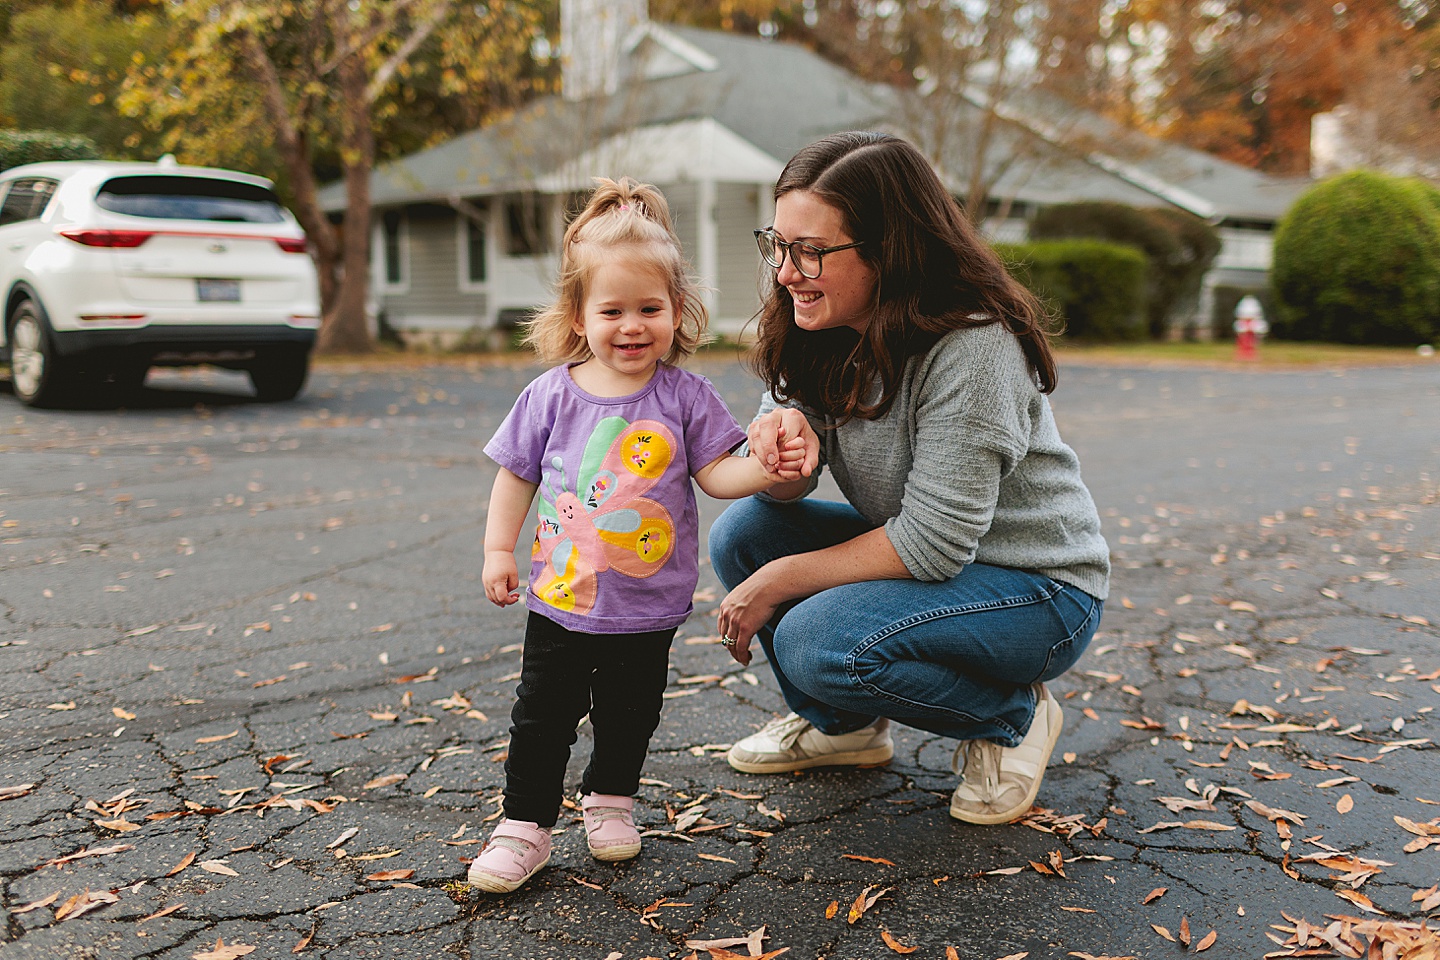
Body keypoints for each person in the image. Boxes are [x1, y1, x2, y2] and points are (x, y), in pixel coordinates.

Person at [709, 132, 1110, 826]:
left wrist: (779, 583)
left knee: (814, 638)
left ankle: (1012, 718)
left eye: (811, 251)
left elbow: (932, 546)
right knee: (746, 532)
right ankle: (845, 728)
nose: (786, 271)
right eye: (777, 244)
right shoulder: (817, 321)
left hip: (1037, 588)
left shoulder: (972, 346)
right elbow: (785, 492)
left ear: (889, 250)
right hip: (938, 565)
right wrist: (778, 454)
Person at [468, 177, 817, 893]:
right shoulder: (551, 395)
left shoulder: (685, 397)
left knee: (630, 715)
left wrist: (765, 467)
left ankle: (610, 802)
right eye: (613, 310)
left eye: (649, 309)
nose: (632, 326)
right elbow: (515, 475)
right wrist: (499, 550)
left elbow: (718, 475)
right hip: (562, 598)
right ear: (578, 313)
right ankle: (524, 825)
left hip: (647, 602)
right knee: (542, 716)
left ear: (677, 310)